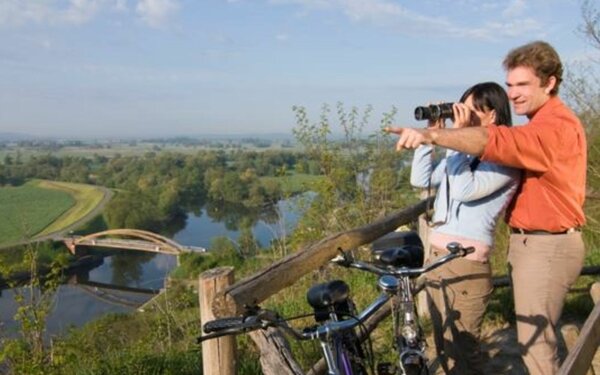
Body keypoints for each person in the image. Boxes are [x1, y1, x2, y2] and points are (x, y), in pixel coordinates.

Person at [387, 41, 587, 375]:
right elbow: (424, 178)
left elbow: (471, 179)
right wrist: (434, 135)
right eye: (510, 85)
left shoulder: (551, 129)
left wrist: (444, 137)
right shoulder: (536, 127)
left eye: (523, 84)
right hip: (525, 245)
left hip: (542, 246)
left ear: (549, 82)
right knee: (463, 345)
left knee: (531, 346)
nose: (514, 93)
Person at [410, 82, 520, 374]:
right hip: (436, 259)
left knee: (464, 351)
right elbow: (420, 179)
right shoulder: (464, 156)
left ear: (492, 115)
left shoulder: (504, 157)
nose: (464, 115)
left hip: (466, 265)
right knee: (443, 345)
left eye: (471, 110)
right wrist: (429, 136)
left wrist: (455, 138)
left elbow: (463, 190)